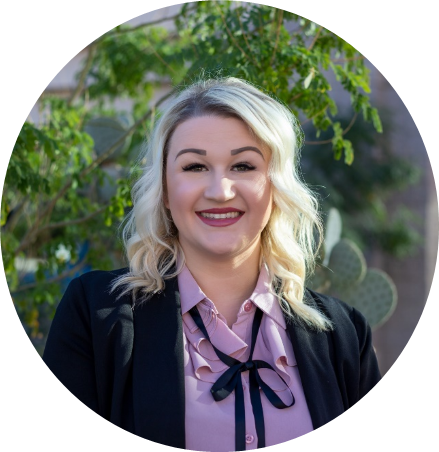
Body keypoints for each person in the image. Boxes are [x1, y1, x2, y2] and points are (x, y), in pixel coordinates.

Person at [42, 77, 381, 450]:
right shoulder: (96, 317)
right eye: (195, 167)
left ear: (276, 187)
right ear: (166, 191)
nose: (220, 191)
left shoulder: (344, 335)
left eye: (243, 166)